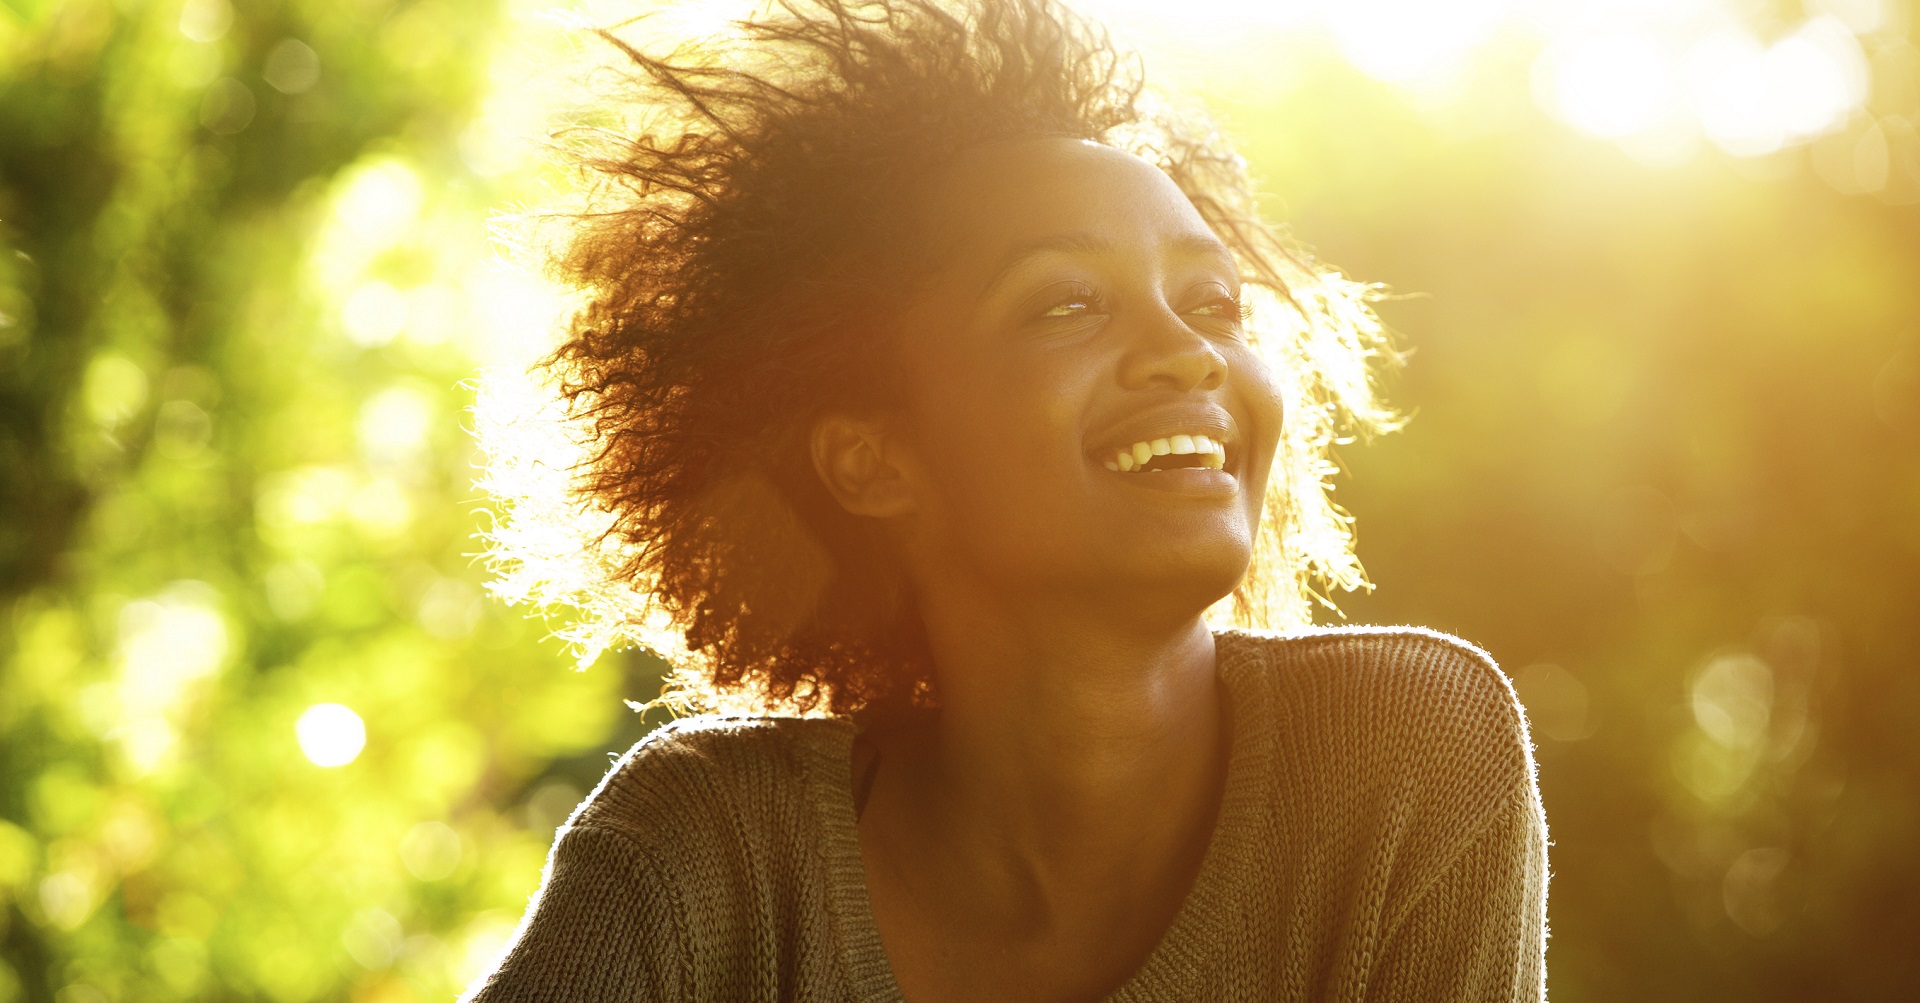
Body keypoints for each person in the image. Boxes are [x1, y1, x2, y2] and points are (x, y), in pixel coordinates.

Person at [466, 0, 1547, 999]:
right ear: (872, 460)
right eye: (1066, 303)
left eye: (1212, 299)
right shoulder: (705, 855)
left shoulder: (1405, 755)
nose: (1187, 353)